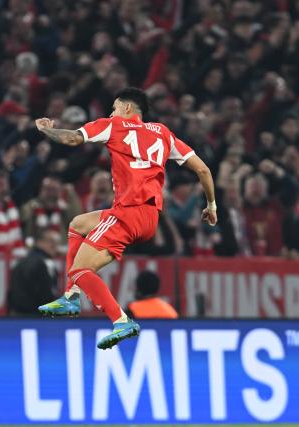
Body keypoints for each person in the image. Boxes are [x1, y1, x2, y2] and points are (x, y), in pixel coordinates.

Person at [34, 87, 217, 349]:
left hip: (128, 211)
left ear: (127, 109)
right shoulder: (164, 133)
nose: (112, 112)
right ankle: (71, 295)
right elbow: (203, 169)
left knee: (80, 269)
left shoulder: (114, 125)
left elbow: (73, 139)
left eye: (115, 107)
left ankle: (120, 320)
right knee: (78, 224)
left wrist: (45, 130)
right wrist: (211, 206)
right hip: (150, 216)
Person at [8, 229, 61, 315]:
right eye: (51, 241)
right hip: (38, 317)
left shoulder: (21, 262)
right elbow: (47, 294)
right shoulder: (47, 263)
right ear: (39, 242)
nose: (55, 245)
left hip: (18, 316)